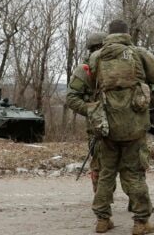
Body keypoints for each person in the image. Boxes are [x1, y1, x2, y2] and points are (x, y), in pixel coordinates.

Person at [87, 19, 154, 235]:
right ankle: (141, 222)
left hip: (106, 127)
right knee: (134, 174)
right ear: (127, 33)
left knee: (106, 174)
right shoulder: (138, 53)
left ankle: (102, 220)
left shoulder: (96, 57)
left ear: (108, 35)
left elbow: (88, 85)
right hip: (134, 126)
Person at [65, 31, 108, 194]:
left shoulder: (116, 66)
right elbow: (71, 98)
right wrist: (93, 111)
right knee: (98, 162)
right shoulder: (84, 70)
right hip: (97, 126)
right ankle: (101, 199)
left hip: (120, 122)